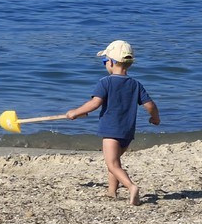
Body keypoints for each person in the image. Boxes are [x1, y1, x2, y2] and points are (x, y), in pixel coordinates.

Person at [64, 39, 160, 206]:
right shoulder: (135, 85)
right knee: (115, 161)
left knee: (112, 163)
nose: (105, 64)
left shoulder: (106, 82)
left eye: (104, 61)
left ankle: (131, 187)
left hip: (111, 130)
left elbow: (95, 103)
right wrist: (155, 118)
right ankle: (111, 191)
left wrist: (75, 112)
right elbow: (150, 105)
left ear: (111, 62)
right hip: (127, 132)